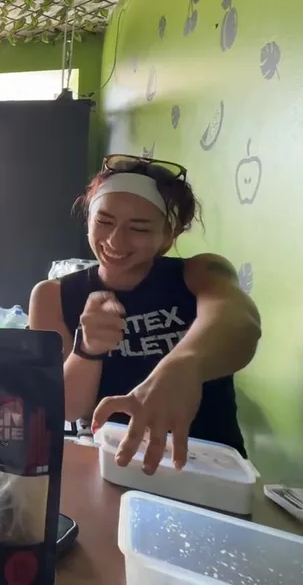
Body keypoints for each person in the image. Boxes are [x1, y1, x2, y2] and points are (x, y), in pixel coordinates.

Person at [28, 154, 261, 475]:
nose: (115, 240)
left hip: (209, 468)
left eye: (139, 228)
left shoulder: (200, 272)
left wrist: (183, 367)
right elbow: (67, 408)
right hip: (113, 464)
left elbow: (241, 323)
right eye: (104, 221)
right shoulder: (52, 296)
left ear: (168, 235)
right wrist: (88, 350)